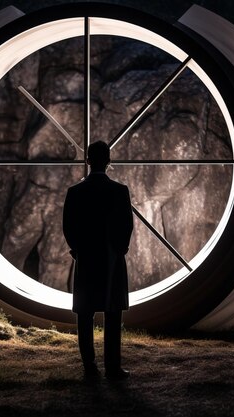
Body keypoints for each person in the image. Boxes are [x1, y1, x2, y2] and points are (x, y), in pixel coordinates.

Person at [62, 140, 134, 381]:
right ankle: (113, 368)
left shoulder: (75, 192)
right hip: (112, 259)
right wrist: (119, 250)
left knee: (85, 313)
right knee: (113, 313)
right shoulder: (120, 191)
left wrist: (77, 250)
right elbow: (126, 225)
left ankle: (89, 366)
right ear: (109, 161)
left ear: (88, 161)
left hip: (86, 258)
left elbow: (69, 226)